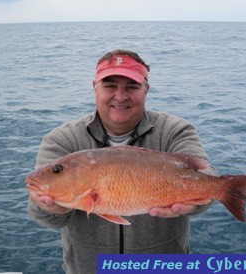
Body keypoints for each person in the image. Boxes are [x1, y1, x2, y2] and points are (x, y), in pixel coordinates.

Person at [27, 49, 216, 274]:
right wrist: (48, 207)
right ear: (94, 87)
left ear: (146, 89)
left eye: (132, 86)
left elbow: (207, 175)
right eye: (109, 85)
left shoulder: (175, 131)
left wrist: (201, 200)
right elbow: (43, 215)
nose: (120, 96)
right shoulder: (62, 140)